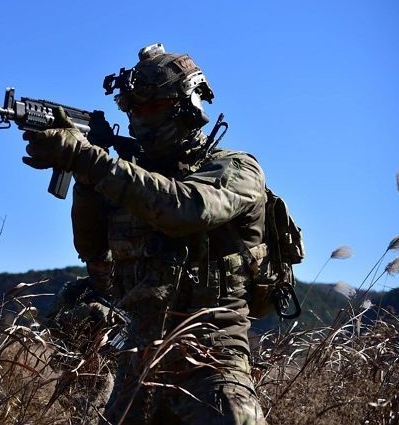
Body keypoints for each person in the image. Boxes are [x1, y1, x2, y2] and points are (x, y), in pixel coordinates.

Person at [22, 43, 268, 424]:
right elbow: (91, 248)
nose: (139, 119)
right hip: (139, 360)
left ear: (188, 106)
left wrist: (91, 160)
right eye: (131, 109)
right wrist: (86, 174)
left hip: (211, 360)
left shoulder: (236, 168)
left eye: (151, 107)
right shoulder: (127, 177)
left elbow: (187, 209)